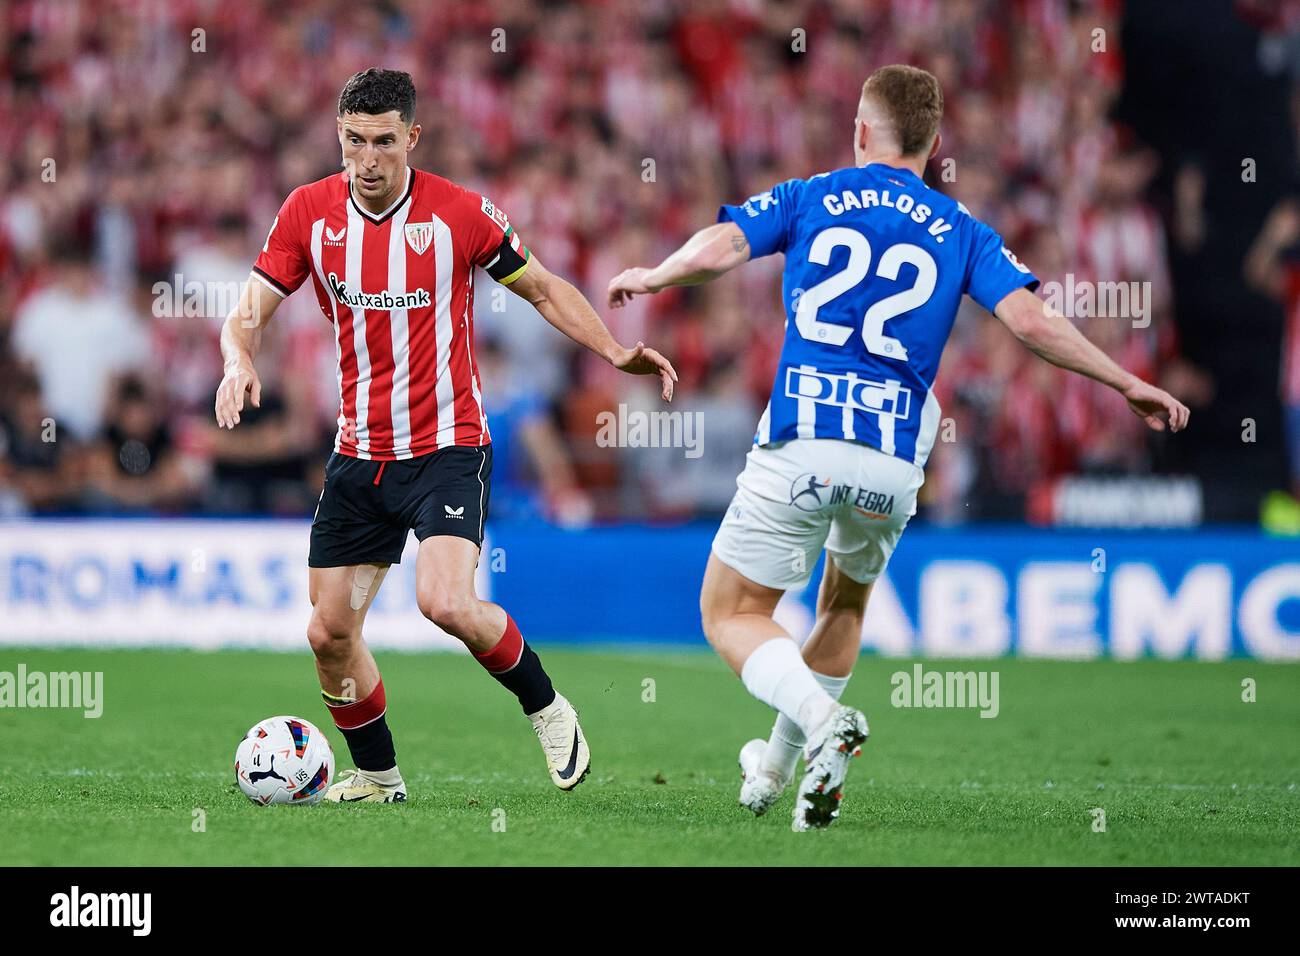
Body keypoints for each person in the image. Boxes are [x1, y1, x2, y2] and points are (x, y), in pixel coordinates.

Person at [607, 64, 1188, 831]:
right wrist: (1126, 382)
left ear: (860, 131)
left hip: (805, 436)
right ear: (936, 143)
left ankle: (821, 723)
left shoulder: (812, 194)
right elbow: (1034, 323)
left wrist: (655, 276)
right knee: (844, 602)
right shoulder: (961, 228)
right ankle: (777, 772)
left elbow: (724, 245)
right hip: (891, 456)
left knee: (731, 611)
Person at [215, 69, 676, 802]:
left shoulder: (459, 214)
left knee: (446, 602)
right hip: (359, 457)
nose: (367, 160)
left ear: (412, 139)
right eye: (354, 142)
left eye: (383, 143)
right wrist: (238, 359)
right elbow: (247, 309)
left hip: (447, 449)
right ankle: (377, 777)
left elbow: (545, 288)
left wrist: (614, 350)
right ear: (340, 136)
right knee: (328, 635)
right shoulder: (308, 213)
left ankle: (549, 709)